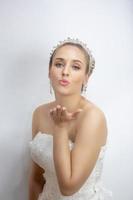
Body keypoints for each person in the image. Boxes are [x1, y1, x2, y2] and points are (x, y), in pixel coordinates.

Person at [29, 37, 112, 200]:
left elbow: (68, 188)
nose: (65, 71)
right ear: (49, 70)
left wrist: (60, 128)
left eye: (75, 67)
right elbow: (36, 178)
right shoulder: (39, 113)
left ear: (86, 77)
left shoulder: (93, 117)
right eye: (59, 64)